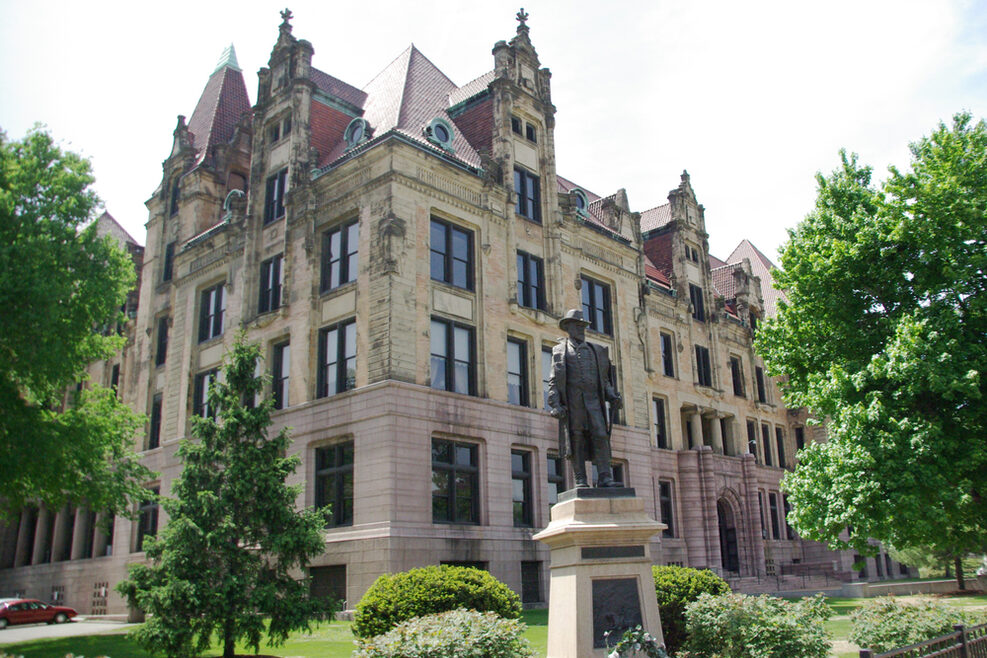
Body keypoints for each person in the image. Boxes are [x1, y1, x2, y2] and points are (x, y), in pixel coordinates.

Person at [547, 309, 622, 488]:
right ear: (568, 327)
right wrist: (555, 404)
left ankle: (605, 476)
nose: (581, 329)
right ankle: (580, 479)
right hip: (574, 404)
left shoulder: (596, 350)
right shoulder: (559, 351)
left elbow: (604, 381)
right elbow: (554, 381)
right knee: (576, 439)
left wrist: (612, 395)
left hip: (594, 403)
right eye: (578, 325)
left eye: (583, 326)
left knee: (601, 436)